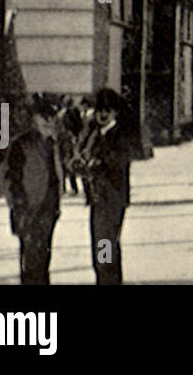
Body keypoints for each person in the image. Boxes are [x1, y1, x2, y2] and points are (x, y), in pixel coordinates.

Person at [75, 87, 138, 285]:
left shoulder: (120, 135)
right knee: (102, 244)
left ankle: (107, 280)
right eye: (99, 110)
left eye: (107, 111)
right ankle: (107, 279)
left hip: (112, 199)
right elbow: (84, 156)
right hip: (98, 199)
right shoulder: (94, 134)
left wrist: (97, 163)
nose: (102, 114)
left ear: (115, 113)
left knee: (104, 244)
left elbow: (117, 161)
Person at [0, 94, 62, 285]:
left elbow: (55, 175)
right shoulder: (22, 144)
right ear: (34, 120)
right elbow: (9, 177)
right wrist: (19, 206)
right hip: (29, 209)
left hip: (48, 210)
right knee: (31, 261)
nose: (48, 122)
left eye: (51, 118)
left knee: (42, 259)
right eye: (43, 118)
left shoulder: (53, 144)